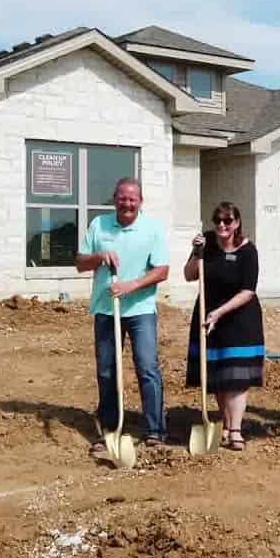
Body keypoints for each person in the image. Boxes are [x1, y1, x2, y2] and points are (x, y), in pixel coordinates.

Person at [76, 177, 171, 453]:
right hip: (106, 310)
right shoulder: (99, 225)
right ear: (114, 199)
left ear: (140, 202)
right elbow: (81, 263)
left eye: (132, 199)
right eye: (122, 197)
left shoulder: (152, 228)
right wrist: (99, 257)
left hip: (140, 311)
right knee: (107, 371)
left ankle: (155, 430)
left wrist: (131, 286)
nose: (126, 203)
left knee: (147, 368)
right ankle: (109, 428)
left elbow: (161, 270)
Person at [183, 202, 266, 451]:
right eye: (217, 220)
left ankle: (237, 429)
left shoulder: (248, 250)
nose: (222, 225)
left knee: (237, 377)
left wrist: (219, 313)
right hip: (208, 315)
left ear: (237, 223)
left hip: (240, 318)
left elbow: (248, 291)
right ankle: (227, 425)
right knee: (218, 374)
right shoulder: (206, 243)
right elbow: (189, 275)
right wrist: (196, 252)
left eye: (227, 220)